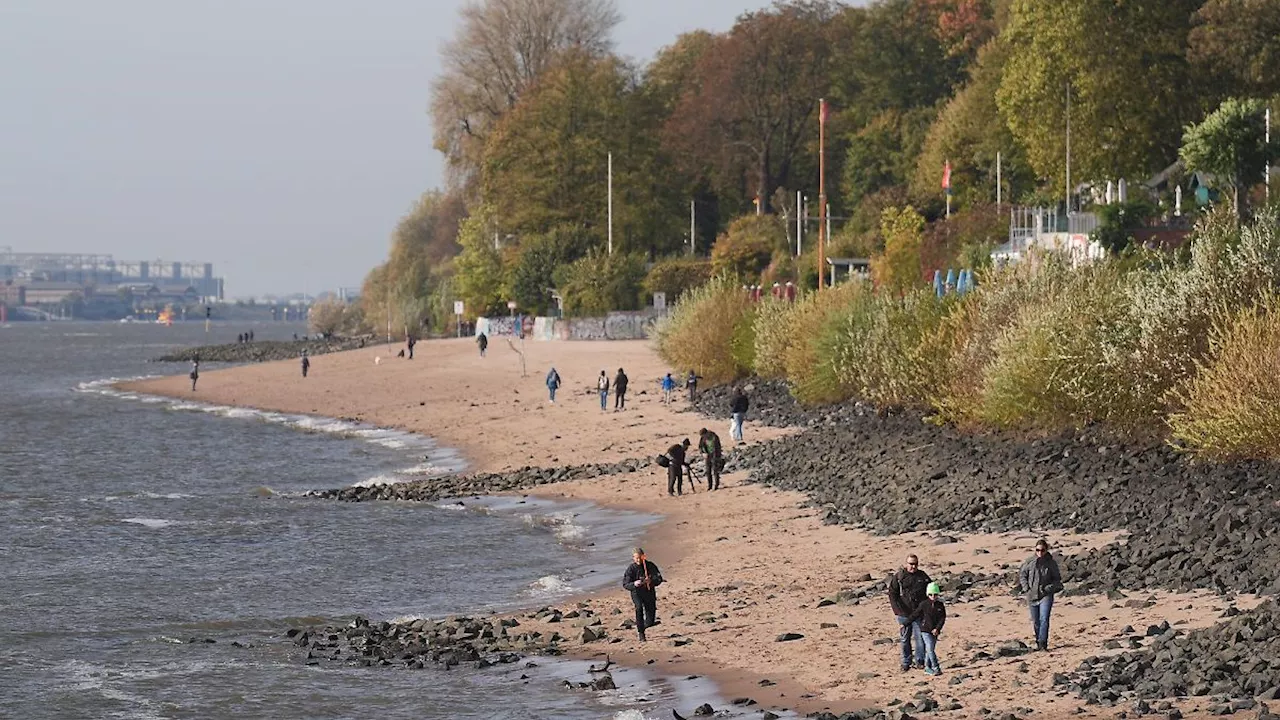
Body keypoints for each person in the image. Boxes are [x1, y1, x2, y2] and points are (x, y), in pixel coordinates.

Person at [888, 554, 932, 672]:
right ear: (906, 564)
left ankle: (920, 661)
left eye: (915, 564)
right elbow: (892, 593)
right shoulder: (899, 577)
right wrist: (897, 610)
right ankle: (906, 662)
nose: (913, 566)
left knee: (920, 638)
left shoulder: (923, 576)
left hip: (918, 613)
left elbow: (931, 592)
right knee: (904, 639)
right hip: (903, 614)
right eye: (911, 564)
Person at [1020, 538, 1064, 651]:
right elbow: (1022, 575)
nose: (1040, 553)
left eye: (1042, 550)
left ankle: (1043, 644)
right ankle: (1038, 641)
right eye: (1037, 550)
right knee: (1036, 621)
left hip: (1046, 595)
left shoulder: (1051, 563)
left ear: (1046, 550)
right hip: (1032, 595)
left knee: (1044, 618)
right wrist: (1026, 589)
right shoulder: (1029, 561)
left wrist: (1048, 589)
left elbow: (1057, 579)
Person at [622, 547, 664, 642]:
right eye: (636, 558)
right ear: (633, 558)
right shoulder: (631, 569)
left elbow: (659, 579)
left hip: (649, 592)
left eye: (640, 558)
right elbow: (625, 584)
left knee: (650, 620)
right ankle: (641, 633)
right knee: (639, 608)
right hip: (637, 593)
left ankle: (644, 625)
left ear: (643, 556)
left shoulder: (650, 566)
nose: (638, 560)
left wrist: (651, 580)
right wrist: (634, 584)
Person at [907, 582, 947, 676]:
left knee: (930, 650)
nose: (933, 596)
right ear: (927, 594)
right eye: (931, 594)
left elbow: (942, 618)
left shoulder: (940, 605)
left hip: (935, 631)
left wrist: (937, 629)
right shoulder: (924, 604)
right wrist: (905, 623)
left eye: (935, 594)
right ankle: (936, 667)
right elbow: (915, 614)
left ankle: (927, 667)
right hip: (925, 630)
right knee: (930, 649)